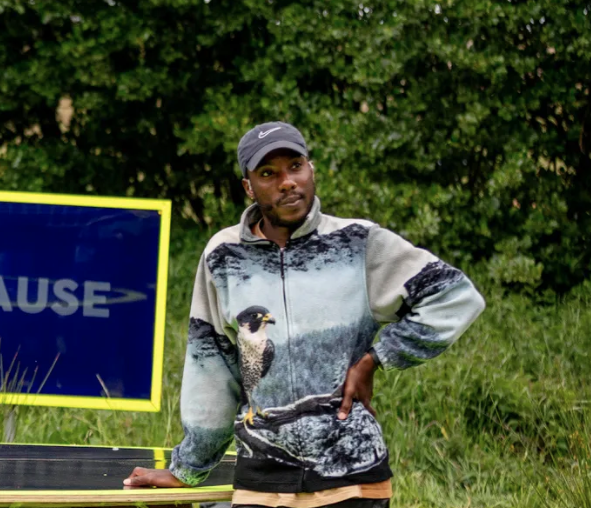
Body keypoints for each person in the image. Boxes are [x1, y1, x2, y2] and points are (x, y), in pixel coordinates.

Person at [123, 122, 486, 507]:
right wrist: (188, 469)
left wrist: (376, 359)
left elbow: (455, 297)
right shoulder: (223, 256)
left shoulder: (357, 243)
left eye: (295, 167)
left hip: (352, 475)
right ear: (249, 187)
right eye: (268, 174)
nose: (287, 182)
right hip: (262, 477)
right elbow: (211, 370)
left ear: (310, 169)